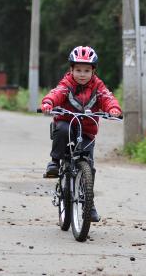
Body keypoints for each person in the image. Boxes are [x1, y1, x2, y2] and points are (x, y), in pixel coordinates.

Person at [40, 46, 122, 222]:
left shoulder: (98, 86)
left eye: (86, 70)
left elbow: (107, 97)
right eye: (78, 70)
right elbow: (57, 93)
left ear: (93, 71)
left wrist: (113, 108)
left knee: (89, 167)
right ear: (71, 70)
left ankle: (89, 204)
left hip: (87, 130)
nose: (82, 74)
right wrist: (48, 102)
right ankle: (54, 162)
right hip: (67, 123)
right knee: (61, 130)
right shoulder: (67, 83)